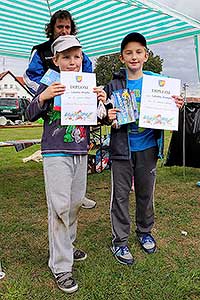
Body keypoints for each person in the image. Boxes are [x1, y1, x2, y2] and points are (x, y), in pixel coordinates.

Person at [26, 35, 106, 293]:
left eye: (77, 57)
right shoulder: (48, 83)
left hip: (80, 151)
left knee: (74, 204)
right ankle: (61, 266)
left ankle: (68, 246)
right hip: (55, 153)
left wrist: (101, 101)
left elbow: (99, 119)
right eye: (66, 57)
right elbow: (30, 113)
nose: (73, 62)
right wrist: (44, 96)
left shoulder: (87, 85)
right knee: (59, 207)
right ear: (56, 60)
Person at [103, 32, 184, 265]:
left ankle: (145, 231)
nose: (134, 56)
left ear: (146, 55)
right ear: (121, 58)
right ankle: (120, 241)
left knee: (145, 194)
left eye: (138, 52)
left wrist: (175, 105)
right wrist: (107, 116)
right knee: (120, 196)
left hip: (148, 148)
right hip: (121, 149)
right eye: (128, 53)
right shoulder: (113, 85)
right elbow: (104, 116)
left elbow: (169, 110)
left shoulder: (158, 83)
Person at [24, 9, 96, 209]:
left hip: (79, 130)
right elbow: (30, 77)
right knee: (59, 203)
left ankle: (78, 198)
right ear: (52, 28)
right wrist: (46, 93)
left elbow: (89, 76)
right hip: (53, 117)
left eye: (68, 27)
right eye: (60, 27)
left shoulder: (83, 54)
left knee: (74, 198)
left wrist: (89, 94)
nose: (64, 30)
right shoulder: (40, 51)